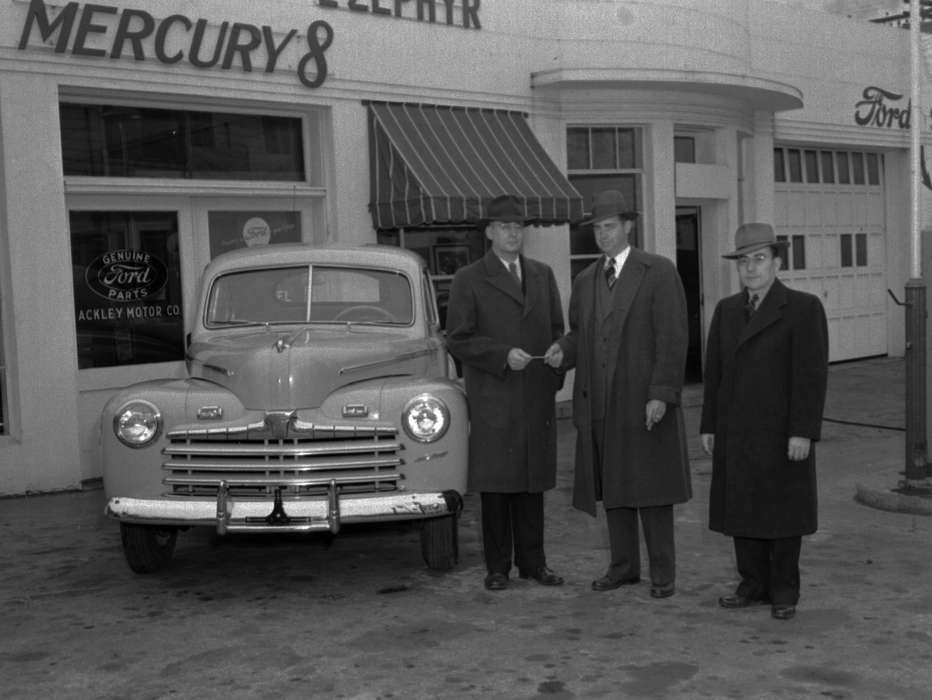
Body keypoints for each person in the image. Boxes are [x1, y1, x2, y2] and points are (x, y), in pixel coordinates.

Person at [544, 189, 691, 599]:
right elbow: (582, 334)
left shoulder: (658, 271)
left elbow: (673, 337)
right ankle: (623, 566)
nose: (603, 235)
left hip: (643, 401)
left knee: (652, 489)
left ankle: (663, 572)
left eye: (610, 226)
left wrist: (661, 392)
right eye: (597, 228)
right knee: (614, 490)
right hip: (600, 404)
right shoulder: (586, 280)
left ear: (628, 225)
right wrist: (564, 351)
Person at [699, 222, 828, 621]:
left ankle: (784, 591)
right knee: (743, 509)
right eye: (743, 261)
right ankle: (752, 583)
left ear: (776, 262)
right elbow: (714, 373)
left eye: (758, 259)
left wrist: (803, 431)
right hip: (737, 431)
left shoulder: (803, 308)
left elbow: (811, 375)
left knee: (783, 513)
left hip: (782, 432)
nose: (750, 268)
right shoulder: (726, 311)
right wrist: (710, 425)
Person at [445, 194, 566, 591]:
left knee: (532, 485)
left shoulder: (543, 274)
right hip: (495, 396)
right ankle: (498, 567)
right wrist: (500, 355)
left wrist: (556, 356)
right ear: (490, 233)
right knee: (497, 487)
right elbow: (458, 340)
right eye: (505, 228)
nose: (514, 234)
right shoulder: (469, 278)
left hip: (534, 394)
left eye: (519, 228)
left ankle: (534, 563)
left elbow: (556, 330)